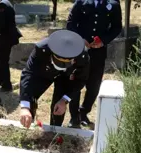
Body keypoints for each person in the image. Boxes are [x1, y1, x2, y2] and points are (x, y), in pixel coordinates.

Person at [66, 0, 122, 128]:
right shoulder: (81, 2)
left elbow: (117, 27)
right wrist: (80, 38)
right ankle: (74, 117)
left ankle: (83, 112)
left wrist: (103, 41)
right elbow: (71, 23)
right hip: (79, 50)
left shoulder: (113, 4)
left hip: (99, 52)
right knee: (75, 81)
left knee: (94, 85)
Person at [19, 30, 90, 128]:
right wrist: (25, 106)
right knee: (31, 97)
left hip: (66, 77)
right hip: (45, 71)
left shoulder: (82, 56)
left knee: (58, 106)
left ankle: (55, 130)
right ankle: (27, 122)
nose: (62, 65)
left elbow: (80, 80)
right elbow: (29, 73)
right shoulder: (42, 49)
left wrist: (64, 100)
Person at [0, 0, 22, 92]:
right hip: (3, 38)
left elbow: (1, 23)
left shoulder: (2, 5)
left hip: (5, 38)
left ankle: (6, 85)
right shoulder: (6, 2)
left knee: (3, 61)